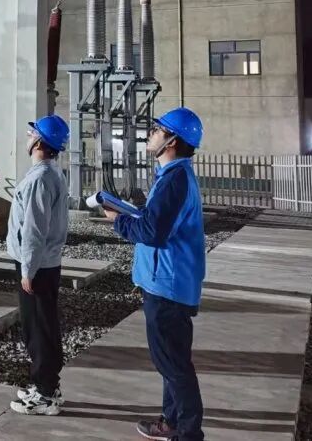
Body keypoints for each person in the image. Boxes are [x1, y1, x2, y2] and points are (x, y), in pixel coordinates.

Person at [106, 107, 206, 441]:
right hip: (168, 282)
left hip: (168, 286)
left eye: (157, 129)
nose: (151, 134)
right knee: (171, 362)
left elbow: (152, 232)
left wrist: (118, 220)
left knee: (173, 366)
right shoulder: (172, 176)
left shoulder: (175, 179)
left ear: (172, 140)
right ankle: (171, 421)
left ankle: (189, 433)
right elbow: (158, 223)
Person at [7, 114, 71, 416]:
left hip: (37, 266)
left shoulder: (39, 179)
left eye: (32, 133)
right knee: (44, 325)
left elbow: (33, 230)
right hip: (46, 264)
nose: (28, 136)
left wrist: (27, 270)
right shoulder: (51, 173)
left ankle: (44, 395)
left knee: (38, 329)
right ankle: (48, 386)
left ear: (40, 142)